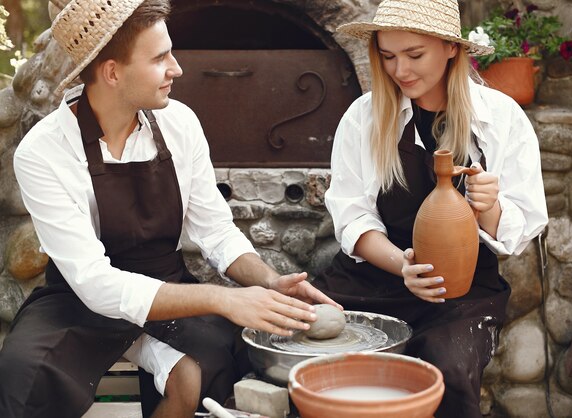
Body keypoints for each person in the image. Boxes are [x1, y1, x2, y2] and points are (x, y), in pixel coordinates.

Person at [0, 1, 339, 417]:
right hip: (77, 302)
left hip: (168, 285)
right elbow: (94, 284)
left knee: (215, 362)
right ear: (112, 72)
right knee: (26, 374)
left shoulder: (180, 123)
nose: (177, 68)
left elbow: (215, 230)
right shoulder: (44, 151)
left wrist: (270, 281)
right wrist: (220, 299)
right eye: (160, 58)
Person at [313, 0, 549, 417]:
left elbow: (519, 230)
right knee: (319, 356)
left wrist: (490, 208)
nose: (400, 71)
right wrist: (403, 267)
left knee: (448, 370)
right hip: (374, 276)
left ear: (451, 48)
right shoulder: (363, 117)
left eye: (414, 55)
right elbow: (353, 216)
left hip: (461, 290)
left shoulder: (501, 118)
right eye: (387, 56)